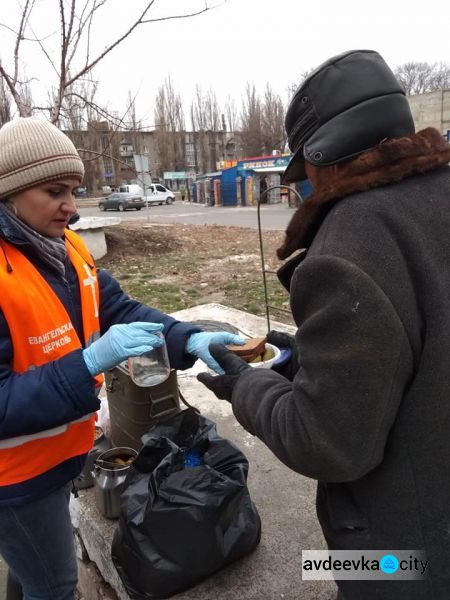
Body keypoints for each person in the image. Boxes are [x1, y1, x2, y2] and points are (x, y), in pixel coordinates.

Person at [198, 49, 450, 600]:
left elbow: (328, 444)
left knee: (338, 572)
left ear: (324, 157)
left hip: (402, 561)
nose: (302, 187)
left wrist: (247, 385)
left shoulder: (353, 241)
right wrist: (305, 356)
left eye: (303, 172)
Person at [0, 117, 244, 600]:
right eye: (54, 192)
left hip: (56, 457)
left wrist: (186, 338)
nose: (71, 207)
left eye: (74, 189)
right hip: (16, 479)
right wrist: (87, 364)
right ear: (9, 191)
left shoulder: (62, 247)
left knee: (31, 570)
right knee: (54, 585)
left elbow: (118, 308)